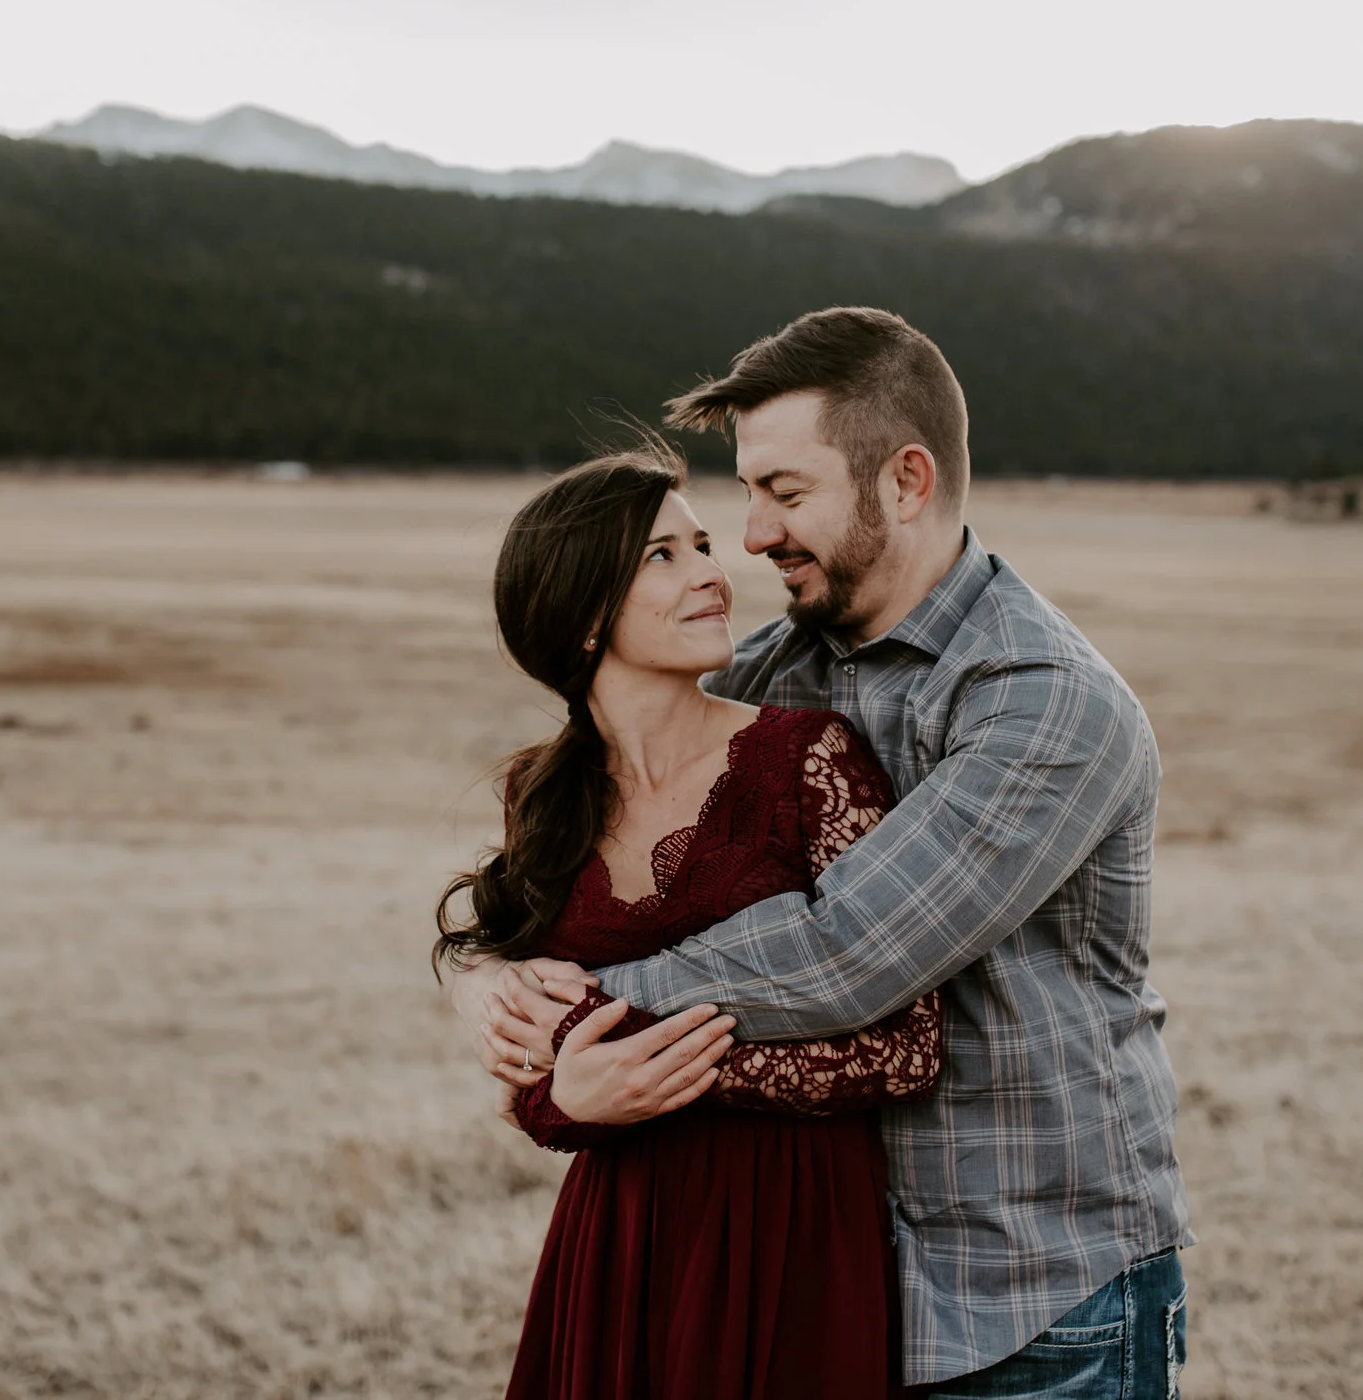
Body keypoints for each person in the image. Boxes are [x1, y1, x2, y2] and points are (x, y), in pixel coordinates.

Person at [455, 307, 1192, 1399]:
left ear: (904, 481)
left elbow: (842, 951)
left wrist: (575, 1014)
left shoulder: (1045, 703)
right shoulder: (773, 673)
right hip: (822, 1280)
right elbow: (597, 828)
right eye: (745, 494)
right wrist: (488, 979)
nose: (750, 536)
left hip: (1033, 1295)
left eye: (784, 493)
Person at [434, 438, 945, 1400]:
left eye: (704, 544)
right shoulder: (538, 797)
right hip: (620, 1233)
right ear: (584, 614)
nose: (714, 573)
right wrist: (563, 1099)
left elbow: (908, 1047)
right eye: (663, 555)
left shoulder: (807, 758)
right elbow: (535, 1060)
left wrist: (659, 1071)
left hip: (794, 1228)